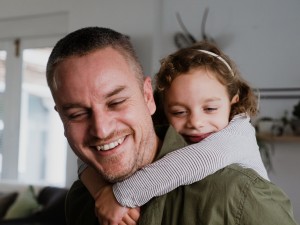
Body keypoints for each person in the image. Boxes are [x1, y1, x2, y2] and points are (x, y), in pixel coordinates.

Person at [46, 26, 298, 225]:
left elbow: (192, 162)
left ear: (147, 97)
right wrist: (98, 188)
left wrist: (120, 195)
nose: (101, 130)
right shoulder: (82, 198)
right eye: (78, 114)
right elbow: (85, 160)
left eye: (117, 102)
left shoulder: (239, 188)